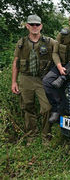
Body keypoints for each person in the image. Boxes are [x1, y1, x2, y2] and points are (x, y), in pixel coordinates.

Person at [11, 14, 56, 144]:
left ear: (41, 26)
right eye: (32, 24)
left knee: (47, 107)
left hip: (42, 79)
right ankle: (31, 135)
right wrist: (14, 82)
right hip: (25, 78)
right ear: (27, 26)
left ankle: (46, 136)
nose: (34, 27)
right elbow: (16, 62)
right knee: (27, 107)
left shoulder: (49, 42)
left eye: (37, 24)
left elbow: (61, 51)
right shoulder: (21, 43)